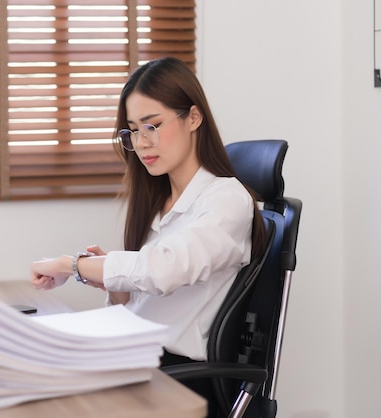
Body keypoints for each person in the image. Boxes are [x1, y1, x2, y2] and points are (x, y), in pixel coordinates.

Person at [30, 57, 265, 367]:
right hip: (135, 352)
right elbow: (143, 303)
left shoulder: (226, 199)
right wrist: (115, 283)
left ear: (193, 117)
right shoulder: (160, 202)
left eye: (153, 126)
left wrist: (71, 265)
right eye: (133, 131)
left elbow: (162, 270)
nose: (141, 143)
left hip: (175, 373)